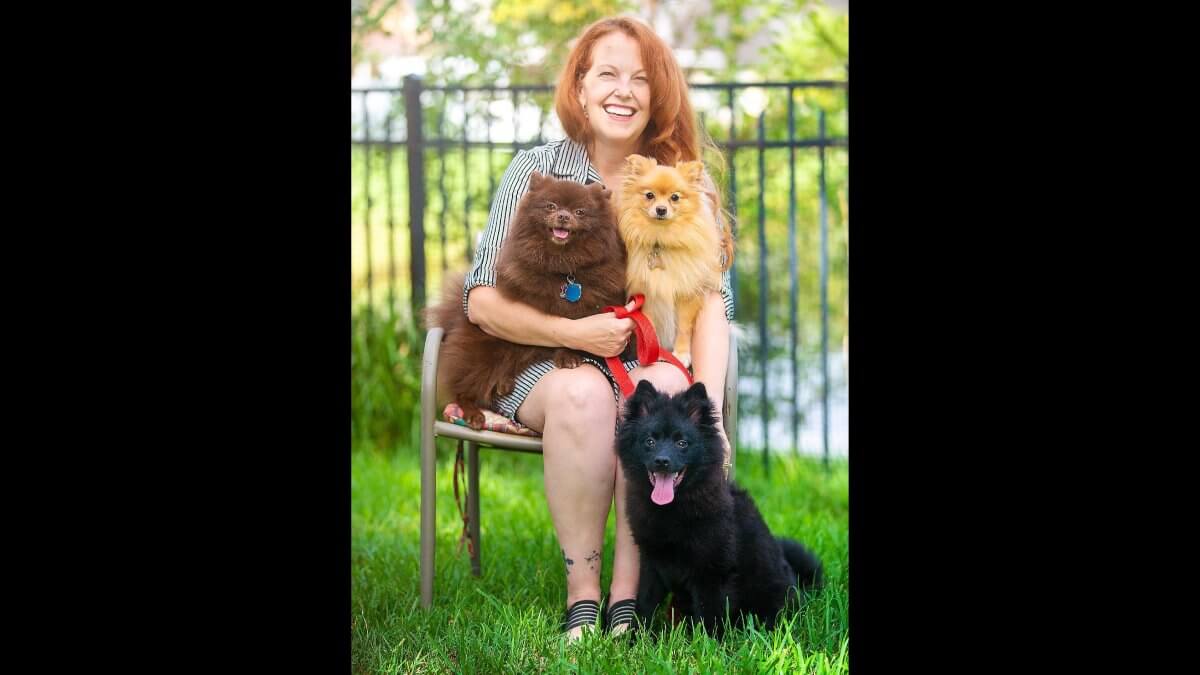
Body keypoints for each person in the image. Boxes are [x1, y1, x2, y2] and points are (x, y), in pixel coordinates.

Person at [461, 15, 734, 640]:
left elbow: (715, 303)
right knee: (586, 393)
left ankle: (628, 602)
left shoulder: (684, 183)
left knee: (659, 387)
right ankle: (584, 597)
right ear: (580, 88)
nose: (623, 90)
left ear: (657, 94)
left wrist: (709, 415)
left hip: (644, 359)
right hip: (539, 361)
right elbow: (480, 299)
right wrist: (578, 338)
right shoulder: (536, 168)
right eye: (607, 73)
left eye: (640, 78)